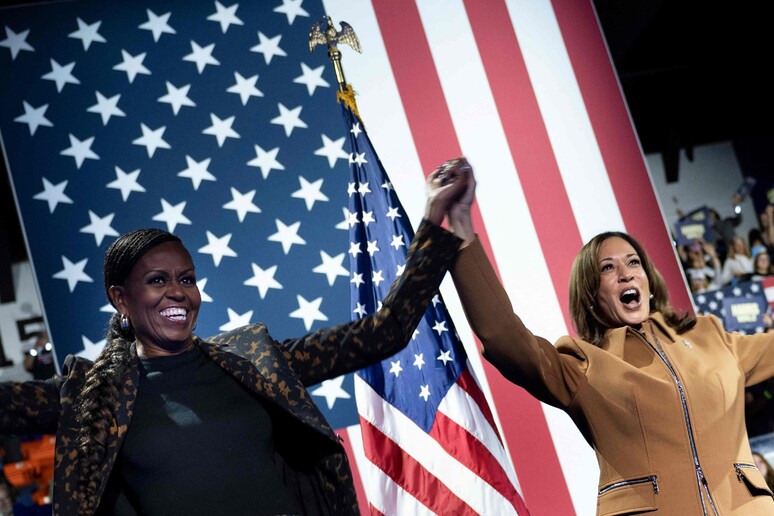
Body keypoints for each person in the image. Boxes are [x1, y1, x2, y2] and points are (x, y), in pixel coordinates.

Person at [0, 168, 468, 515]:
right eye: (157, 280)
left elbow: (379, 335)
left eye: (186, 278)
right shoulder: (91, 396)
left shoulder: (253, 360)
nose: (177, 292)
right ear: (120, 298)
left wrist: (434, 221)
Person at [436, 159, 774, 514]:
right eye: (607, 268)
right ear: (591, 297)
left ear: (649, 282)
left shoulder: (711, 338)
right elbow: (504, 337)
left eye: (633, 263)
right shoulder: (582, 365)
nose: (626, 275)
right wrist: (460, 224)